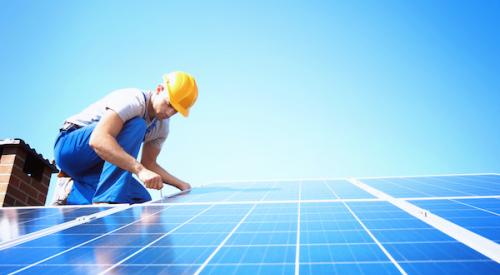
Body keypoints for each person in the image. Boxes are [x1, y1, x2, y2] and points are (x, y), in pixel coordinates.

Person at [53, 71, 197, 205]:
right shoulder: (134, 100)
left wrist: (181, 185)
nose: (170, 112)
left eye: (176, 111)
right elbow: (98, 139)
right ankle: (106, 201)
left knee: (140, 200)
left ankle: (70, 190)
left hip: (98, 165)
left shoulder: (162, 127)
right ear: (159, 89)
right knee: (137, 125)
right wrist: (140, 171)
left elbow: (149, 164)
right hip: (70, 149)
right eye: (169, 104)